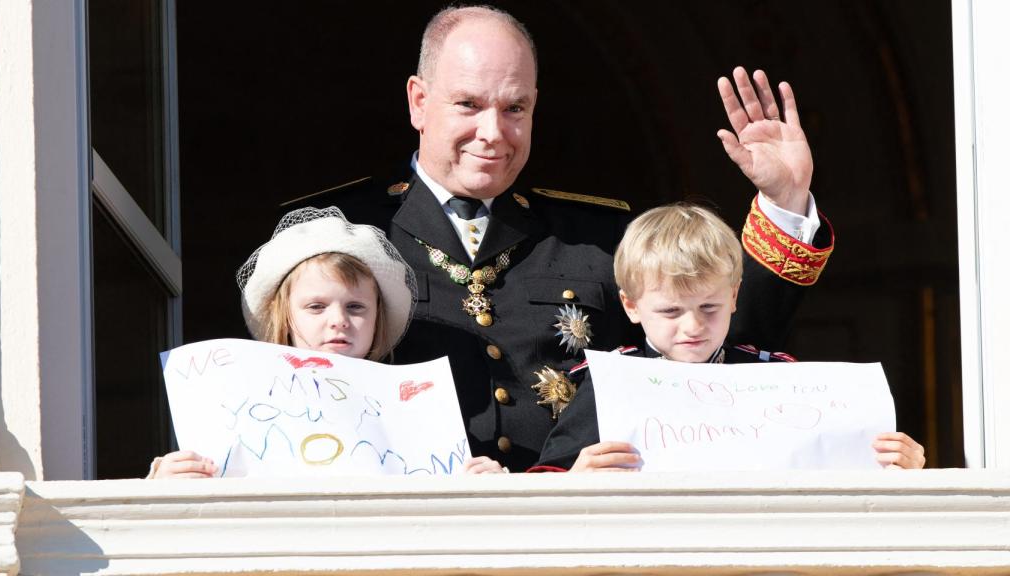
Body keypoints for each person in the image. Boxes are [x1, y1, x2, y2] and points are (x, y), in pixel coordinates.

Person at [288, 5, 834, 471]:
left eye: (514, 108)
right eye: (468, 105)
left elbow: (718, 346)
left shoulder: (599, 236)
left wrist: (785, 201)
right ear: (418, 101)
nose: (493, 132)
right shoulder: (337, 231)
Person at [531, 204, 925, 472]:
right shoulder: (608, 382)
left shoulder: (777, 376)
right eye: (670, 311)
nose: (692, 327)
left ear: (734, 296)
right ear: (631, 306)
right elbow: (546, 481)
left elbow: (842, 471)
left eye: (709, 308)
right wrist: (574, 478)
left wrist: (900, 467)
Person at [150, 207, 505, 477]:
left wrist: (481, 484)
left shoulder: (417, 408)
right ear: (284, 316)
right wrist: (169, 480)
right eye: (316, 307)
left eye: (356, 307)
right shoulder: (234, 398)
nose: (338, 320)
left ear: (377, 318)